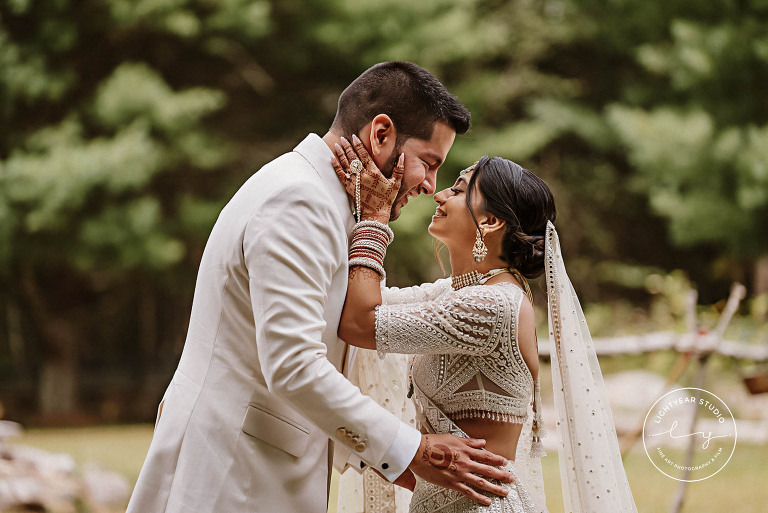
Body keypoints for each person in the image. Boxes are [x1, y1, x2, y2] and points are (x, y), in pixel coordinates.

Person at [125, 62, 514, 513]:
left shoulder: (326, 200)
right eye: (428, 163)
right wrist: (413, 451)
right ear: (381, 134)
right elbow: (292, 363)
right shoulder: (299, 200)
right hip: (230, 478)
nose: (430, 186)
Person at [332, 142, 639, 512]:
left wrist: (376, 217)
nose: (439, 195)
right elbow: (359, 301)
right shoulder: (456, 294)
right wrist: (356, 199)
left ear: (491, 222)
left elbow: (360, 322)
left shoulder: (493, 306)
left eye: (458, 190)